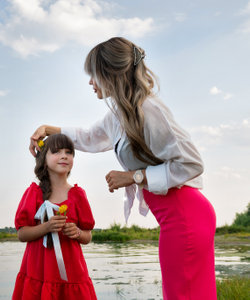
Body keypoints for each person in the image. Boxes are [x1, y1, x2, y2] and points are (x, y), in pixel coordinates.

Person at [29, 37, 217, 300]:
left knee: (182, 295)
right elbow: (91, 136)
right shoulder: (120, 112)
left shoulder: (149, 110)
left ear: (109, 73)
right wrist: (50, 129)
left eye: (93, 75)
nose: (90, 82)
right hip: (175, 217)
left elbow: (192, 164)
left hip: (185, 216)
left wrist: (132, 176)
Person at [13, 133, 97, 300]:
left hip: (72, 272)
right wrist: (47, 227)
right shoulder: (34, 193)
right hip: (39, 271)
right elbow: (22, 234)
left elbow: (87, 236)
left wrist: (77, 233)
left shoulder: (78, 195)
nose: (64, 156)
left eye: (69, 152)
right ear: (44, 158)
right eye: (57, 151)